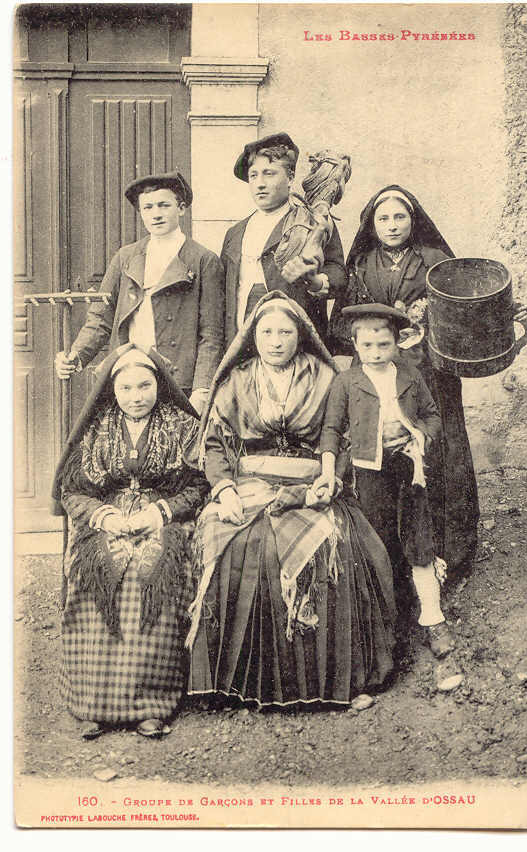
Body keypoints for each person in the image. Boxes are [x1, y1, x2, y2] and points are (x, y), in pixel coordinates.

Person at [185, 291, 396, 710]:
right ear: (253, 335)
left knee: (337, 543)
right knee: (232, 541)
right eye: (267, 332)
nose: (276, 340)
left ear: (301, 334)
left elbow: (345, 436)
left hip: (313, 484)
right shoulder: (237, 380)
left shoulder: (325, 377)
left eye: (285, 331)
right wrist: (223, 489)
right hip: (247, 485)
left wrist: (330, 479)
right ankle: (233, 683)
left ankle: (326, 681)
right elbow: (214, 444)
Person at [51, 344, 209, 739]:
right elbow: (71, 490)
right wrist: (105, 516)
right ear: (112, 389)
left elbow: (200, 484)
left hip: (163, 515)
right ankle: (94, 705)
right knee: (95, 578)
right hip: (107, 518)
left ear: (160, 385)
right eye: (126, 388)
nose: (136, 397)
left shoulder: (182, 425)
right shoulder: (96, 426)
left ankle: (151, 705)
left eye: (144, 386)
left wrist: (158, 513)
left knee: (151, 576)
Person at [329, 185, 479, 580]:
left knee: (438, 450)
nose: (392, 225)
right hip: (381, 369)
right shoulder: (361, 263)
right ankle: (391, 553)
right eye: (383, 218)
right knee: (384, 457)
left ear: (414, 221)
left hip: (429, 371)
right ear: (371, 224)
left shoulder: (435, 260)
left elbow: (461, 312)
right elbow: (347, 322)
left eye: (399, 217)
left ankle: (450, 549)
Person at [318, 304, 454, 658]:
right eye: (367, 346)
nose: (375, 353)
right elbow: (331, 429)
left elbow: (431, 415)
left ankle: (432, 616)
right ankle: (387, 623)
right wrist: (328, 470)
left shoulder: (409, 375)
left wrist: (420, 437)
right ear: (354, 345)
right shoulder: (346, 381)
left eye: (383, 345)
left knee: (418, 536)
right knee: (378, 540)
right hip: (368, 472)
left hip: (408, 467)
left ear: (397, 344)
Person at [54, 171, 225, 415]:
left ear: (182, 208)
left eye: (164, 205)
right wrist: (75, 356)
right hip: (130, 374)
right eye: (148, 207)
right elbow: (101, 317)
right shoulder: (126, 257)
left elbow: (211, 333)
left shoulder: (203, 260)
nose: (156, 214)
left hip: (179, 380)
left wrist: (202, 389)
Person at [222, 132, 346, 346]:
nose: (260, 183)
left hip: (298, 340)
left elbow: (338, 274)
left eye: (269, 174)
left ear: (290, 178)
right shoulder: (235, 233)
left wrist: (316, 282)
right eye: (254, 175)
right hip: (244, 340)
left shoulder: (313, 222)